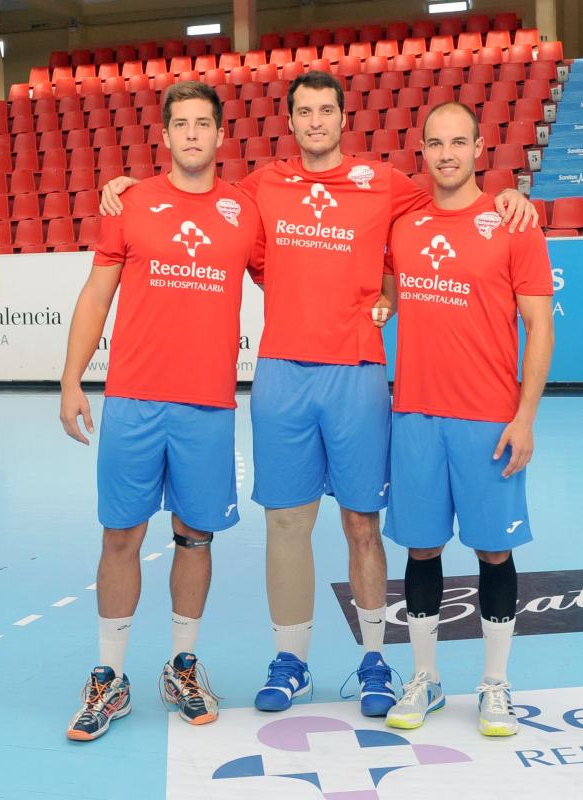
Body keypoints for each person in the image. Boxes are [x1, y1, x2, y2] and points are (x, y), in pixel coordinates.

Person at [100, 72, 537, 717]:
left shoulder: (385, 182)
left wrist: (509, 197)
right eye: (303, 111)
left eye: (325, 110)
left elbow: (453, 201)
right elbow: (192, 194)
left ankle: (374, 662)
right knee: (286, 522)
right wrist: (126, 188)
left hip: (356, 373)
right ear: (290, 121)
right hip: (281, 373)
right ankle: (293, 661)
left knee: (363, 523)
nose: (315, 121)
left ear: (342, 117)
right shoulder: (257, 191)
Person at [60, 82, 262, 741]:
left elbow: (299, 271)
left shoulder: (245, 211)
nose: (194, 134)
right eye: (182, 124)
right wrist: (69, 379)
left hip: (206, 407)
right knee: (120, 536)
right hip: (134, 401)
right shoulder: (132, 203)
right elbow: (96, 296)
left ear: (221, 135)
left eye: (205, 123)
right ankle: (109, 677)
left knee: (194, 538)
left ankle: (182, 665)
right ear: (167, 137)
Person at [382, 101, 554, 736]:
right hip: (417, 417)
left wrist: (526, 416)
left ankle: (495, 684)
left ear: (480, 148)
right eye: (435, 143)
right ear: (421, 150)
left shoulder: (513, 224)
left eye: (459, 142)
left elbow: (539, 328)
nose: (447, 153)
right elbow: (379, 287)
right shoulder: (403, 223)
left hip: (488, 419)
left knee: (493, 551)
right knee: (422, 548)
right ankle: (425, 680)